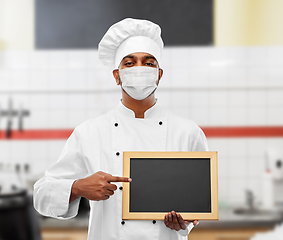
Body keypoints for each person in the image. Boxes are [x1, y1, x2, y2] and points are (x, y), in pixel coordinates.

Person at [34, 18, 208, 240]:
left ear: (159, 74)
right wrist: (77, 187)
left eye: (148, 62)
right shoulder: (90, 132)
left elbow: (196, 202)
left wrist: (184, 223)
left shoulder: (188, 133)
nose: (139, 68)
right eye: (129, 62)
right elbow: (41, 195)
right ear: (117, 76)